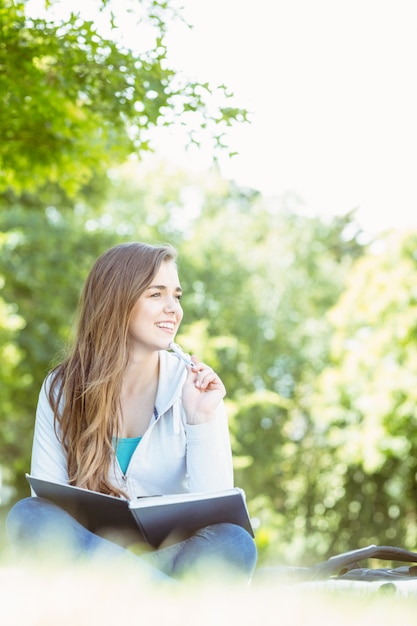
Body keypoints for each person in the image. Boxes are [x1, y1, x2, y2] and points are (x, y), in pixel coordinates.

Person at [6, 242, 257, 584]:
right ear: (117, 301)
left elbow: (215, 516)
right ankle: (170, 604)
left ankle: (134, 595)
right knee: (28, 516)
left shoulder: (194, 389)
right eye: (157, 294)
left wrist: (200, 419)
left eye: (177, 296)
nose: (174, 309)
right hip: (92, 553)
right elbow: (49, 509)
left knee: (235, 542)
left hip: (166, 559)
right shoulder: (62, 387)